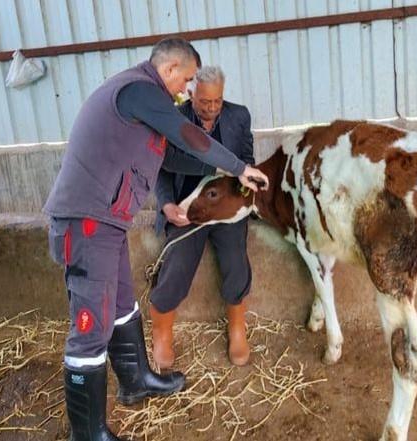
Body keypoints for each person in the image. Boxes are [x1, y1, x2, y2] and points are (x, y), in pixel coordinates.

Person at [43, 38, 268, 441]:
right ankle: (88, 433)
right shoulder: (139, 91)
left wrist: (234, 174)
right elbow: (187, 136)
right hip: (85, 222)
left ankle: (136, 381)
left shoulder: (144, 109)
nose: (186, 89)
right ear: (168, 70)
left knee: (123, 308)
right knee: (91, 327)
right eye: (185, 80)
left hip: (107, 223)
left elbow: (176, 156)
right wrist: (236, 164)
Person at [150, 66, 254, 369]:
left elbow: (247, 162)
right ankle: (162, 332)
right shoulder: (173, 118)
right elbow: (161, 168)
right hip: (186, 207)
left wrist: (245, 199)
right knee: (178, 261)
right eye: (204, 102)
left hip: (224, 207)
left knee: (236, 259)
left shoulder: (239, 116)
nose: (211, 109)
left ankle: (237, 328)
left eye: (217, 101)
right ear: (190, 94)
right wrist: (167, 205)